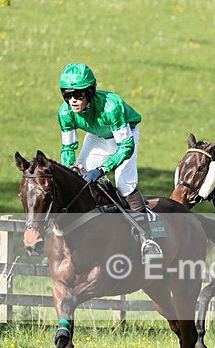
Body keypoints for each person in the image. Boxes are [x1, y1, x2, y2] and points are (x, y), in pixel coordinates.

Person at [57, 63, 162, 262]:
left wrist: (102, 169)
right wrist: (71, 167)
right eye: (67, 95)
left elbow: (125, 147)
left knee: (124, 183)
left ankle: (148, 238)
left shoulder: (111, 106)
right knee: (77, 182)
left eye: (78, 95)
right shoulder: (65, 113)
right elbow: (68, 148)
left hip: (125, 136)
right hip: (97, 136)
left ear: (89, 91)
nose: (73, 101)